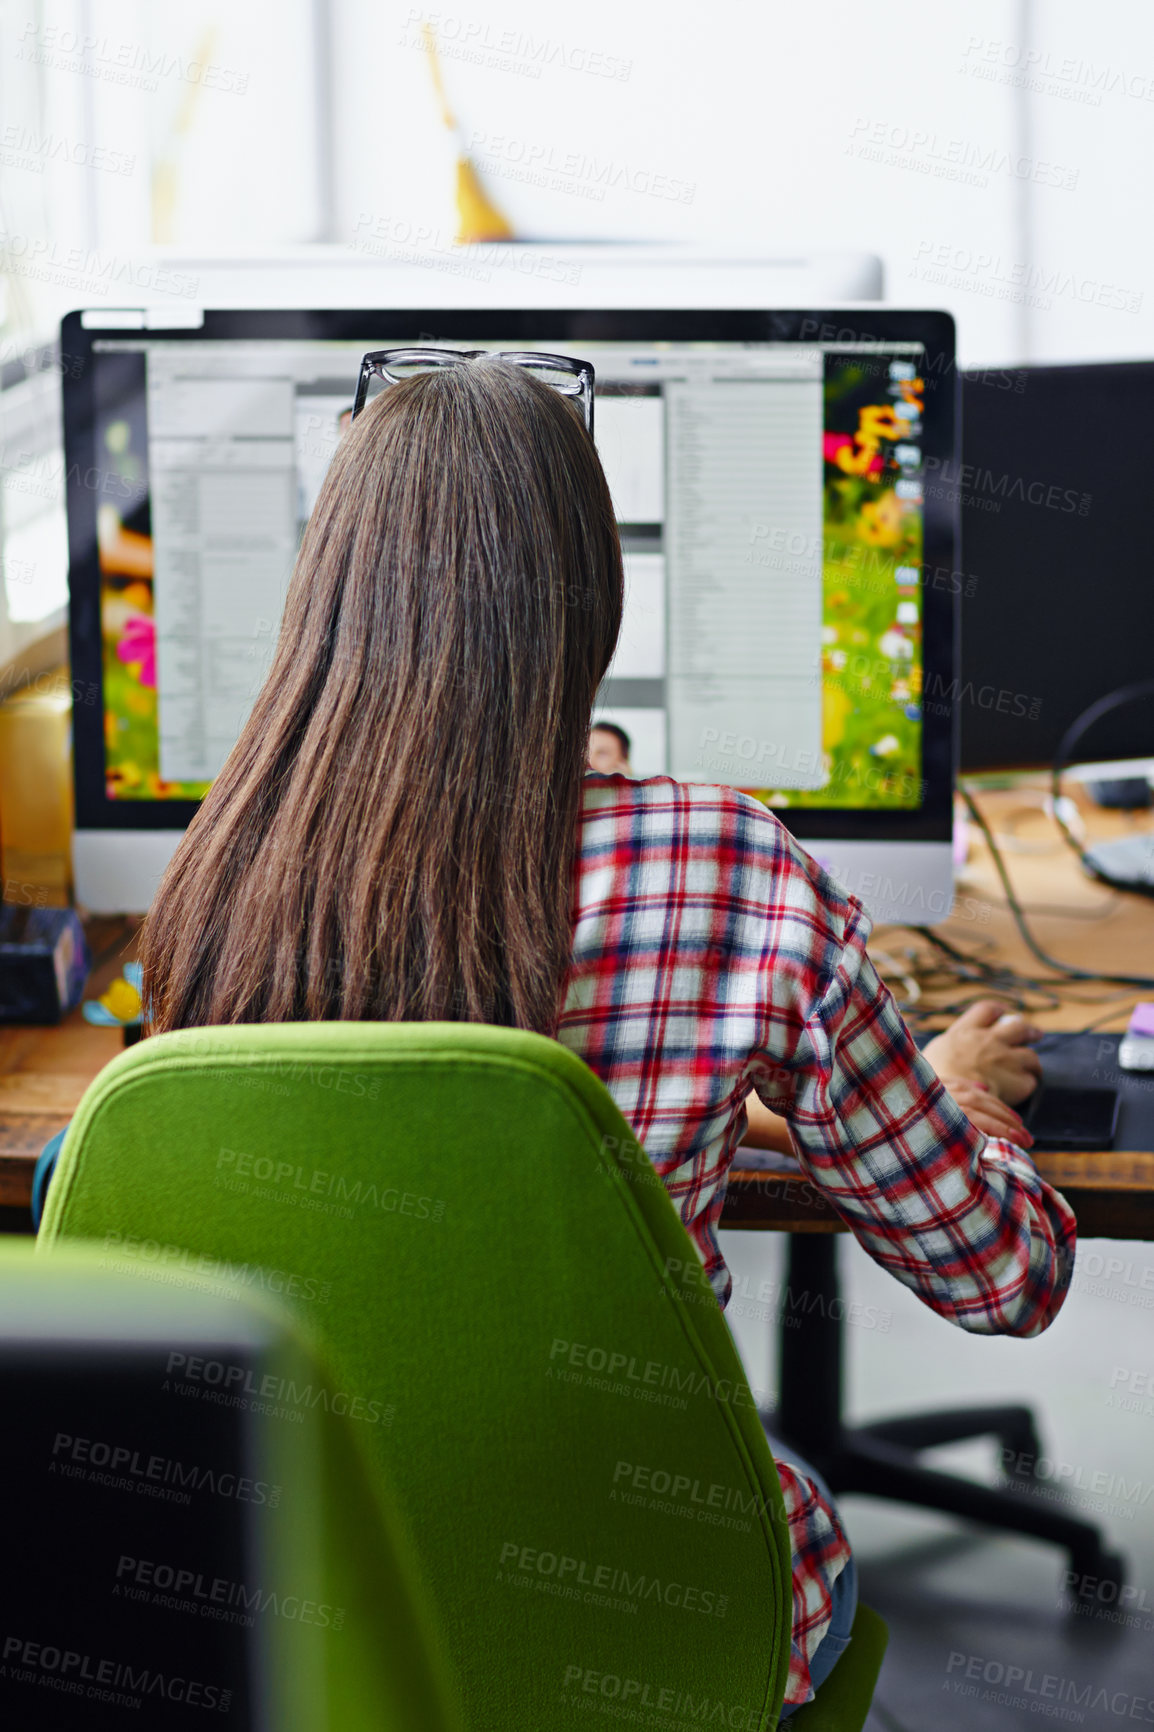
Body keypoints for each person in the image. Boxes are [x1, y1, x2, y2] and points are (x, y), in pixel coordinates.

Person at [34, 357, 1072, 1717]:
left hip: (302, 1643)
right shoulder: (726, 867)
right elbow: (1001, 1278)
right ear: (591, 593)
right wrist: (942, 1095)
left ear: (328, 591)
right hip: (662, 1631)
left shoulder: (222, 872)